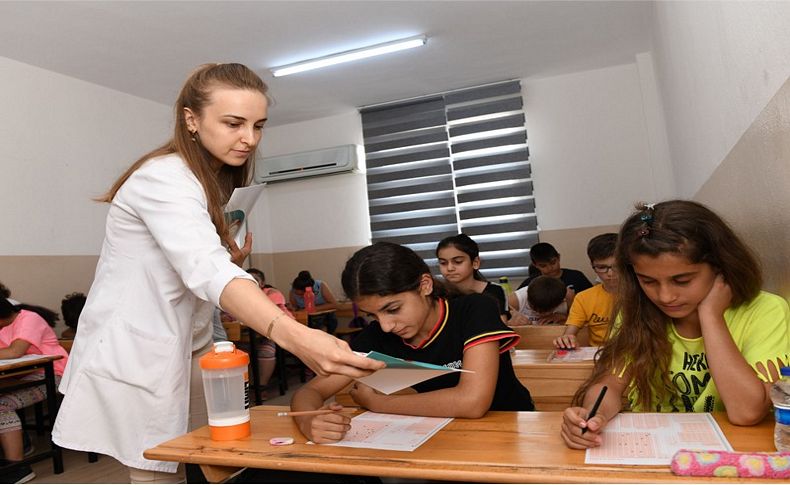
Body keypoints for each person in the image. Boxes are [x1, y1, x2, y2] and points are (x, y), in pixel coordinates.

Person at [51, 63, 382, 481]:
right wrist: (297, 337)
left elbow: (200, 267)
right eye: (233, 123)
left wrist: (230, 262)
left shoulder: (208, 181)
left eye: (258, 125)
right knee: (158, 470)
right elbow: (203, 268)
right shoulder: (162, 178)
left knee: (217, 457)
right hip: (141, 354)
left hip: (193, 347)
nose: (249, 139)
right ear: (191, 119)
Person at [561, 201, 790, 450]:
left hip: (727, 455)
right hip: (649, 448)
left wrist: (711, 317)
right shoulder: (635, 312)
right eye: (648, 281)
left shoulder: (766, 311)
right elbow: (610, 384)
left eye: (682, 280)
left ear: (722, 267)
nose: (665, 296)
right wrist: (594, 416)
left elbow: (746, 412)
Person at [290, 242, 534, 444]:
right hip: (443, 439)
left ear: (425, 286)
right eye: (373, 316)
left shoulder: (475, 309)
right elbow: (310, 391)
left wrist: (380, 403)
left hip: (510, 430)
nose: (386, 326)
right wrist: (309, 421)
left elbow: (472, 402)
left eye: (393, 309)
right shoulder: (378, 336)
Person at [0, 298, 69, 484]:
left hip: (54, 375)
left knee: (2, 405)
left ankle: (18, 467)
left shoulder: (29, 319)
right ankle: (20, 442)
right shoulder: (4, 325)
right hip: (23, 376)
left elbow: (15, 352)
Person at [554, 234, 618, 349]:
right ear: (592, 265)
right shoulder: (584, 298)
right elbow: (569, 333)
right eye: (602, 267)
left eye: (617, 266)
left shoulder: (643, 292)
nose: (610, 273)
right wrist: (566, 339)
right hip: (599, 355)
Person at [436, 233, 510, 320]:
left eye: (458, 261)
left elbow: (500, 325)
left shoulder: (495, 291)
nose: (450, 268)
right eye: (443, 263)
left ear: (475, 263)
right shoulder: (437, 293)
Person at [246, 268, 293, 393]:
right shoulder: (242, 296)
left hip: (277, 332)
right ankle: (251, 386)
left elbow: (267, 312)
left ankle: (261, 387)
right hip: (255, 334)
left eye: (254, 280)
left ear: (262, 283)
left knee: (265, 351)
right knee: (243, 352)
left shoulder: (272, 293)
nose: (251, 282)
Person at [516, 242, 593, 296]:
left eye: (553, 263)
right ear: (535, 265)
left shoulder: (576, 277)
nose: (550, 268)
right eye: (543, 266)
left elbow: (592, 299)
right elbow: (509, 305)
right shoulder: (531, 283)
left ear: (558, 257)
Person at [508, 275, 572, 326]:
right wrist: (509, 322)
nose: (538, 313)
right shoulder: (515, 299)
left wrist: (564, 317)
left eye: (544, 311)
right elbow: (500, 322)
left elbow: (580, 322)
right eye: (533, 308)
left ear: (561, 302)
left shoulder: (568, 297)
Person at [289, 270, 339, 334]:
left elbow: (334, 304)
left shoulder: (321, 286)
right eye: (297, 294)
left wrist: (313, 309)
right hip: (306, 319)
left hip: (325, 317)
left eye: (302, 295)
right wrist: (292, 308)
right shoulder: (293, 291)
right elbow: (295, 308)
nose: (300, 297)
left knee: (320, 326)